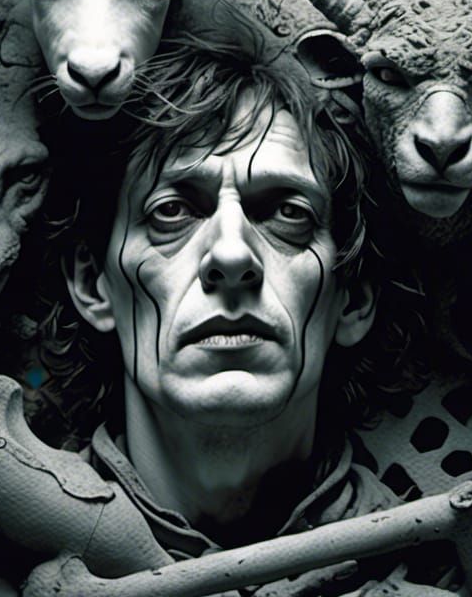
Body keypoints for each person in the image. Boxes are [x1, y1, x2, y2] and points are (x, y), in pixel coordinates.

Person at [45, 34, 430, 590]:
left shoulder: (448, 572)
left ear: (355, 297)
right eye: (171, 211)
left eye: (289, 213)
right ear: (93, 285)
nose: (230, 255)